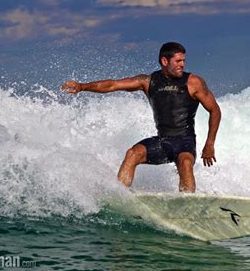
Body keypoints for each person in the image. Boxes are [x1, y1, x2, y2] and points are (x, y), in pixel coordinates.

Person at [60, 42, 221, 192]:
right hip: (163, 141)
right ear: (165, 61)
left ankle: (188, 203)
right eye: (178, 61)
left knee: (185, 163)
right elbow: (113, 85)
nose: (182, 65)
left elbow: (215, 110)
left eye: (183, 61)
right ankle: (121, 195)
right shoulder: (148, 81)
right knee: (132, 153)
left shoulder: (193, 82)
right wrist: (82, 87)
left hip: (185, 141)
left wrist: (210, 144)